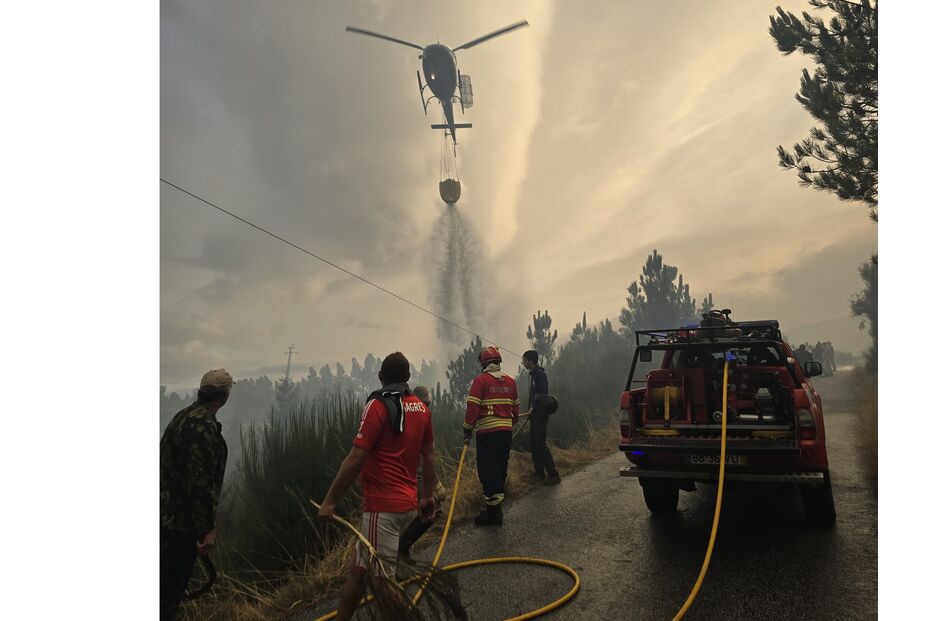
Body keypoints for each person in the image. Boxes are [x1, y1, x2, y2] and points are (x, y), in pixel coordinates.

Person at [318, 353, 437, 621]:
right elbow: (429, 455)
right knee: (359, 572)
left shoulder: (377, 406)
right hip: (406, 504)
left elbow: (356, 457)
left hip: (382, 509)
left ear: (381, 377)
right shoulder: (422, 408)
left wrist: (330, 501)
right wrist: (427, 496)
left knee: (383, 585)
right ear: (408, 378)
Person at [160, 369, 235, 621]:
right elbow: (199, 485)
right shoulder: (204, 427)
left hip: (164, 517)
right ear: (224, 396)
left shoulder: (182, 417)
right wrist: (207, 529)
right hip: (182, 525)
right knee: (168, 599)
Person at [463, 346, 520, 526]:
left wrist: (467, 429)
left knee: (487, 471)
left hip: (487, 433)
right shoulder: (511, 382)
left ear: (484, 363)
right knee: (500, 469)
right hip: (505, 433)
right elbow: (516, 409)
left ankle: (493, 513)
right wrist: (509, 423)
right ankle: (497, 509)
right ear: (498, 362)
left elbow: (472, 407)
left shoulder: (480, 381)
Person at [398, 385, 447, 557]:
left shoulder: (411, 415)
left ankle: (402, 550)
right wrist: (436, 485)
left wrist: (435, 483)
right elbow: (427, 458)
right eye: (425, 404)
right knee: (434, 510)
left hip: (407, 475)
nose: (427, 408)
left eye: (428, 405)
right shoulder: (416, 419)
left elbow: (427, 459)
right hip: (408, 476)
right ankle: (401, 548)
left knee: (415, 513)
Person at [523, 350, 560, 485]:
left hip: (540, 415)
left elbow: (542, 395)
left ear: (530, 361)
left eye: (525, 360)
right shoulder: (534, 375)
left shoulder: (540, 375)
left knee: (540, 444)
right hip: (534, 415)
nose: (523, 362)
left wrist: (534, 407)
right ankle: (539, 473)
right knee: (534, 443)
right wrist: (530, 410)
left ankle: (553, 474)